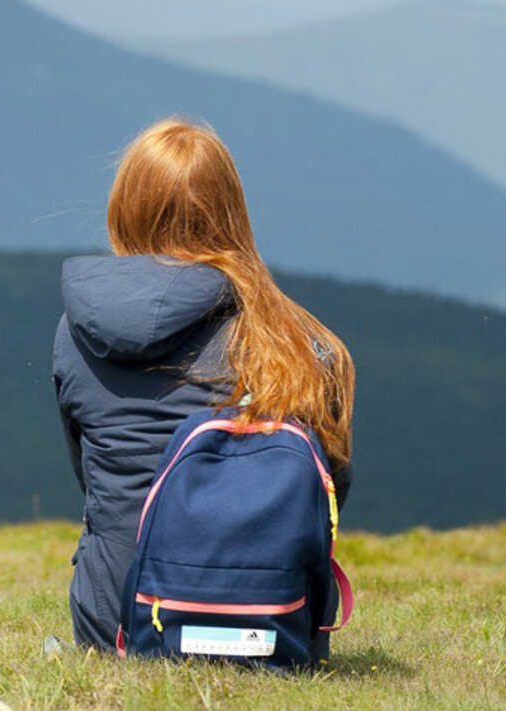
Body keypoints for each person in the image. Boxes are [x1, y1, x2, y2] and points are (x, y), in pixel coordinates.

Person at [50, 117, 355, 652]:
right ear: (231, 212)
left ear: (125, 208)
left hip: (115, 624)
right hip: (267, 623)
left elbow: (92, 482)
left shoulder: (77, 333)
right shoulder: (292, 340)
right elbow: (329, 492)